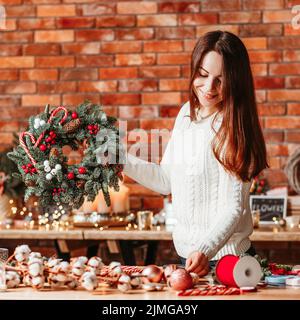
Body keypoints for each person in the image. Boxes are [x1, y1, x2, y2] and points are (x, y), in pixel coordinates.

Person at [122, 31, 268, 276]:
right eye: (203, 75)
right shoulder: (186, 114)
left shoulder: (236, 126)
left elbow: (233, 207)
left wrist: (205, 249)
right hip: (189, 259)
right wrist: (121, 160)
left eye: (221, 80)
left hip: (229, 264)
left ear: (236, 81)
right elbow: (166, 181)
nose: (209, 88)